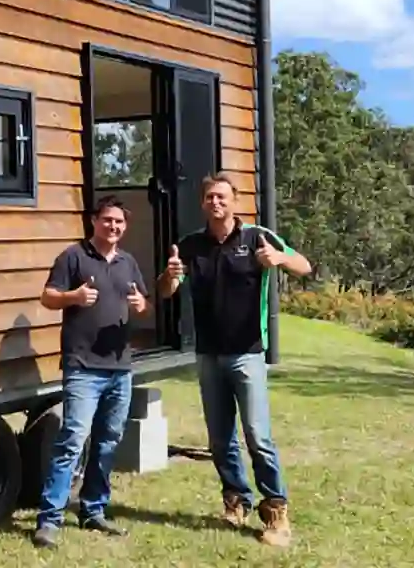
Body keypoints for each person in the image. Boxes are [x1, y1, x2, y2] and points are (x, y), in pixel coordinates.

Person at [157, 173, 312, 548]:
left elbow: (304, 265)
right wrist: (170, 276)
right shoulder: (191, 246)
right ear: (203, 202)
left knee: (258, 436)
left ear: (235, 200)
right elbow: (164, 291)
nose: (216, 202)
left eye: (222, 197)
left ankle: (276, 512)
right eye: (210, 197)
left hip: (247, 354)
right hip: (208, 354)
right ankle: (235, 502)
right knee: (220, 439)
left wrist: (278, 258)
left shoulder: (257, 236)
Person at [32, 195, 149, 549]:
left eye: (120, 222)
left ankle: (93, 510)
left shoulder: (128, 262)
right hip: (83, 367)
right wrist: (74, 297)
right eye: (107, 220)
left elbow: (143, 302)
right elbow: (47, 297)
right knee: (72, 440)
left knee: (108, 441)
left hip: (119, 368)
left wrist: (142, 304)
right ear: (94, 220)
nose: (113, 227)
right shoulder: (74, 257)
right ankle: (49, 519)